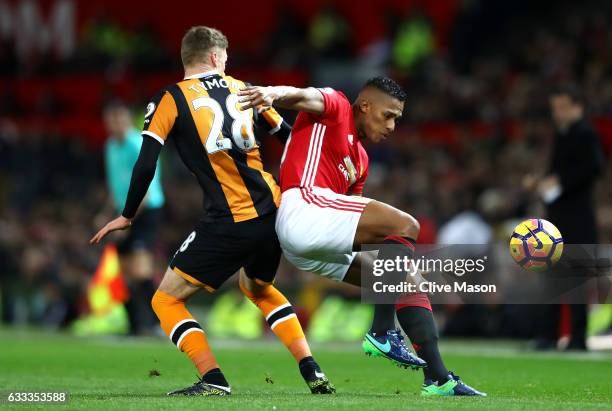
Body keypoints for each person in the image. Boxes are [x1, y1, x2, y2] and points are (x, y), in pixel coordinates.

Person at [91, 26, 334, 396]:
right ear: (217, 57)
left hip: (230, 220)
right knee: (258, 287)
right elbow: (289, 138)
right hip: (274, 212)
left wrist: (127, 213)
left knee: (165, 299)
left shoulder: (170, 98)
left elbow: (146, 163)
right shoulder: (247, 88)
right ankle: (311, 367)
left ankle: (213, 379)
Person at [239, 77, 486, 396]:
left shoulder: (361, 161)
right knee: (407, 225)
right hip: (303, 205)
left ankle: (439, 380)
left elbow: (361, 231)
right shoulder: (337, 106)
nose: (393, 126)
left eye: (397, 119)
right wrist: (272, 93)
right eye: (389, 115)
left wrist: (395, 271)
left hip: (310, 238)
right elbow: (303, 96)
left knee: (406, 280)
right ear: (366, 106)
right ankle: (382, 331)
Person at [524, 84, 605, 350]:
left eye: (562, 107)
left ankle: (577, 339)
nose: (557, 113)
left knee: (576, 282)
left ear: (578, 107)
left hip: (578, 220)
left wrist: (558, 181)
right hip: (559, 218)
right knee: (552, 278)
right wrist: (542, 183)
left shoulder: (585, 134)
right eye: (554, 108)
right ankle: (549, 335)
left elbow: (595, 167)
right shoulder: (564, 134)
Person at [102, 102, 164, 335]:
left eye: (118, 120)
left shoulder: (136, 144)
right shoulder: (110, 146)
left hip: (146, 210)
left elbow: (146, 189)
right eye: (110, 121)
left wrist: (127, 219)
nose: (114, 125)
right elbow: (116, 183)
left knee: (140, 270)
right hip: (124, 213)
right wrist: (105, 212)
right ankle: (135, 326)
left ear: (127, 120)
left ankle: (160, 323)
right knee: (123, 273)